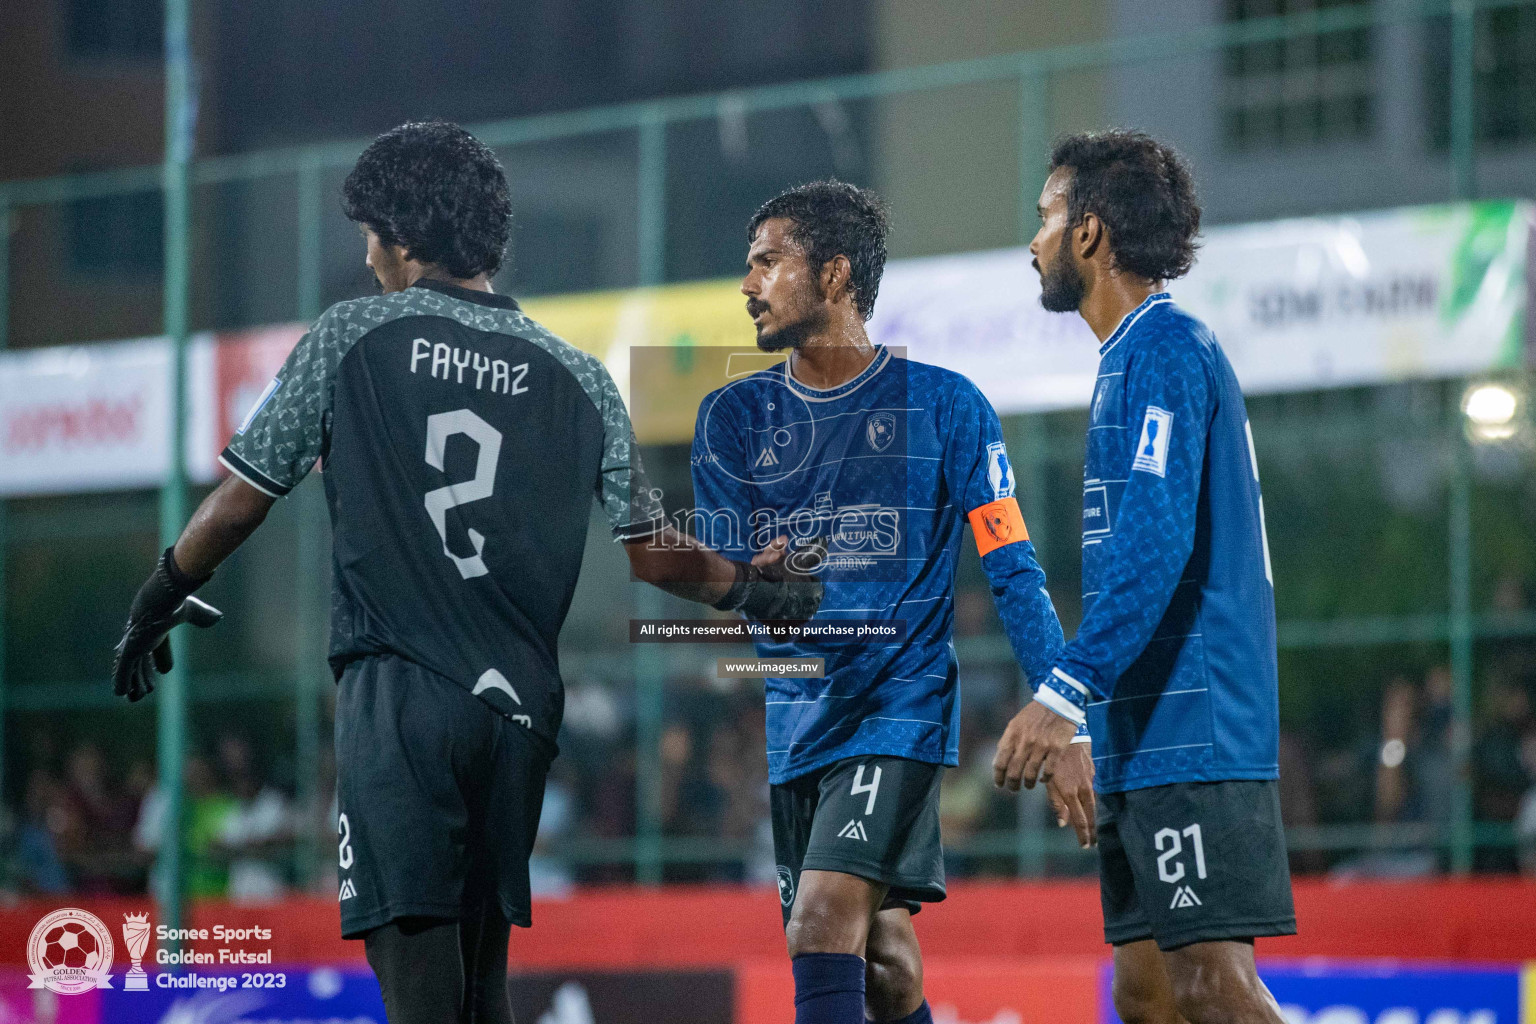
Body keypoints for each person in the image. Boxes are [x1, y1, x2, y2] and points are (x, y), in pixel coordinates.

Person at [110, 119, 822, 1024]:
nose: (367, 257)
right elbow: (651, 554)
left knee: (417, 992)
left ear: (402, 237)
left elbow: (244, 497)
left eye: (370, 235)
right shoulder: (580, 376)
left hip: (401, 700)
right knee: (481, 992)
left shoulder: (354, 334)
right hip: (518, 716)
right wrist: (759, 587)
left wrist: (159, 592)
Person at [690, 180, 1093, 1024]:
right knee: (886, 969)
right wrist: (748, 580)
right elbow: (721, 574)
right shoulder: (731, 418)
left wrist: (1064, 715)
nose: (747, 284)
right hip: (797, 724)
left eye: (768, 262)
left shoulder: (949, 408)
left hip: (899, 712)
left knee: (821, 924)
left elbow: (1014, 569)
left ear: (833, 274)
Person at [994, 130, 1294, 1024]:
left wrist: (1065, 692)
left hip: (1194, 725)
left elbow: (1154, 546)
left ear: (1089, 233)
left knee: (1209, 985)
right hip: (1144, 731)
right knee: (1148, 991)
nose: (1035, 241)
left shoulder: (1165, 347)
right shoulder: (1125, 357)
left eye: (1046, 217)